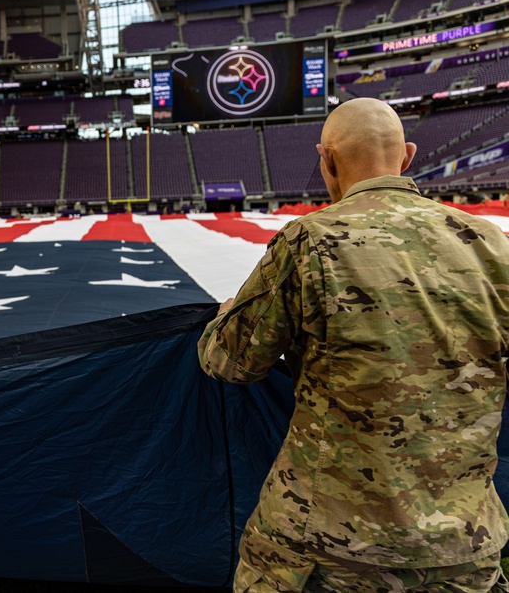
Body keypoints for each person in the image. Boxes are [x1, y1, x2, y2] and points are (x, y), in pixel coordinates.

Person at [198, 98, 509, 592]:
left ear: (327, 159)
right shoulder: (493, 244)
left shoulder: (310, 241)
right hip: (461, 548)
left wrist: (226, 318)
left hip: (324, 548)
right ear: (407, 157)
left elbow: (230, 361)